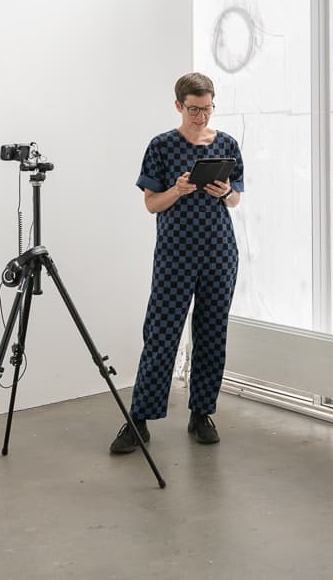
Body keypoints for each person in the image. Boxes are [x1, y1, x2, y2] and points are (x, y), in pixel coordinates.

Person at [110, 72, 244, 453]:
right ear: (178, 106)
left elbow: (236, 200)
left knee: (212, 330)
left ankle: (201, 412)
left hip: (219, 250)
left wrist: (225, 192)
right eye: (193, 110)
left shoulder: (228, 145)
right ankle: (139, 419)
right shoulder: (162, 146)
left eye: (207, 109)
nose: (201, 117)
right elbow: (151, 203)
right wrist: (178, 190)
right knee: (162, 332)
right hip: (175, 252)